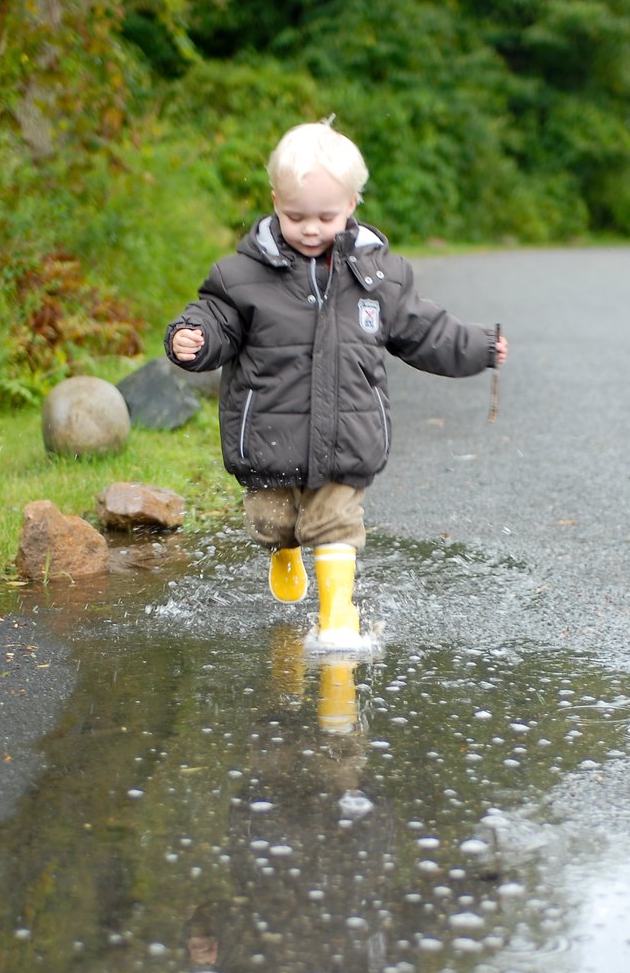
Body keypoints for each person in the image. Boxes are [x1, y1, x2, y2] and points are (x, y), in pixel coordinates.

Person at [165, 120, 508, 645]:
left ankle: (337, 613)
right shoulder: (241, 275)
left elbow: (426, 330)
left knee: (335, 521)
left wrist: (480, 346)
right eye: (295, 215)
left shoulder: (378, 277)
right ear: (275, 200)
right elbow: (216, 318)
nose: (309, 228)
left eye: (325, 216)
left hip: (347, 433)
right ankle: (283, 553)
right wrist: (193, 338)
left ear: (352, 203)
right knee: (271, 521)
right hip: (269, 436)